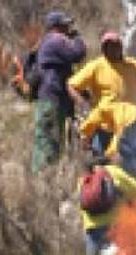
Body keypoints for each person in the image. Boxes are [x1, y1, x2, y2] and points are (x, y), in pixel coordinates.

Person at [68, 31, 136, 157]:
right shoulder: (96, 66)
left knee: (127, 164)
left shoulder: (131, 65)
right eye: (109, 46)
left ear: (120, 47)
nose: (113, 49)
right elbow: (72, 85)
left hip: (128, 127)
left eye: (115, 45)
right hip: (103, 125)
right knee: (100, 163)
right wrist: (84, 105)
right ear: (104, 48)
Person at [31, 10, 87, 173]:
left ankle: (45, 178)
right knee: (48, 143)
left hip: (52, 99)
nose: (68, 28)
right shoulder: (55, 40)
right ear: (56, 26)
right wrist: (77, 38)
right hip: (52, 99)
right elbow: (77, 54)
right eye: (65, 25)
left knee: (51, 142)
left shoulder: (47, 42)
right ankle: (42, 180)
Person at [79, 156, 136, 255]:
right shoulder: (112, 171)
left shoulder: (84, 179)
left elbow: (82, 205)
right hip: (115, 225)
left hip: (92, 229)